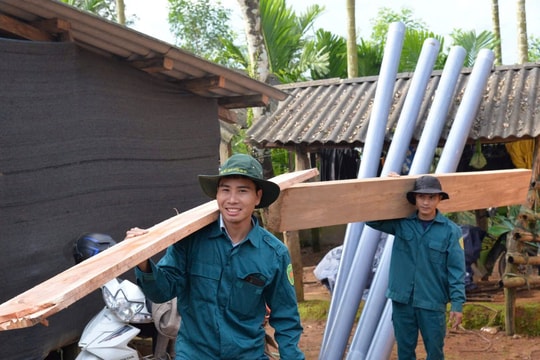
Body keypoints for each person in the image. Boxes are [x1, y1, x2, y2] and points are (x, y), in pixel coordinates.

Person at [127, 153, 305, 360]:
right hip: (195, 354)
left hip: (247, 355)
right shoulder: (190, 240)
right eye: (225, 190)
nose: (232, 200)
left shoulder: (273, 254)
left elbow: (286, 317)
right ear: (217, 194)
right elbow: (162, 291)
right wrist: (143, 261)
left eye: (242, 191)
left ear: (257, 197)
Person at [366, 175, 466, 360]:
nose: (426, 202)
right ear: (415, 199)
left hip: (432, 301)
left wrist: (457, 303)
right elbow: (370, 220)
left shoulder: (451, 231)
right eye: (421, 197)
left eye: (431, 197)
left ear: (439, 199)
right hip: (403, 300)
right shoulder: (401, 223)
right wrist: (387, 188)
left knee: (435, 352)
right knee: (405, 352)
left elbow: (457, 270)